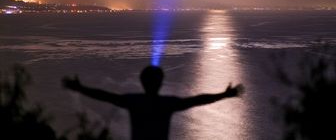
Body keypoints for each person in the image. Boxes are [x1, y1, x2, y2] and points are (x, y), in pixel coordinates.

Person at [63, 66, 244, 140]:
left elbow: (105, 96)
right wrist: (225, 94)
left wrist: (80, 88)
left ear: (142, 82)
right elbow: (198, 100)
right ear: (161, 82)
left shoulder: (134, 101)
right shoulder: (167, 104)